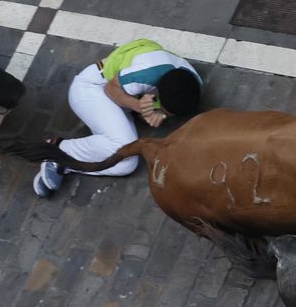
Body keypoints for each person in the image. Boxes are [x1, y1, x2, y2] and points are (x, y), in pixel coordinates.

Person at [33, 38, 203, 197]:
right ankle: (57, 150)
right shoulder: (145, 75)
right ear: (157, 89)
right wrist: (140, 107)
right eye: (164, 110)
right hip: (93, 90)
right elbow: (111, 89)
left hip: (120, 96)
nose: (164, 115)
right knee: (122, 146)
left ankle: (69, 163)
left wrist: (157, 112)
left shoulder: (194, 85)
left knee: (127, 164)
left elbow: (164, 103)